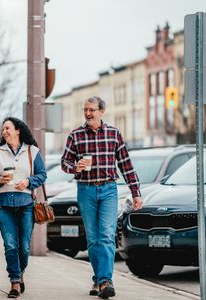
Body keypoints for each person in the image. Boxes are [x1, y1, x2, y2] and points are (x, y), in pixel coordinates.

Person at [61, 96, 142, 299]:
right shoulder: (76, 135)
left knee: (106, 235)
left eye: (92, 110)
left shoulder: (114, 134)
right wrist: (75, 167)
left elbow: (126, 166)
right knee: (93, 238)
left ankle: (106, 280)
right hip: (86, 190)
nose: (88, 113)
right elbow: (64, 162)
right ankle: (98, 279)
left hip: (108, 189)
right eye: (85, 110)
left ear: (101, 111)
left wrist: (136, 193)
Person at [0, 117, 47, 298]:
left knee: (25, 247)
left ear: (18, 130)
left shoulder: (32, 151)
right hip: (3, 205)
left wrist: (28, 182)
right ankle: (14, 281)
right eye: (2, 129)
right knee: (11, 245)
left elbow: (42, 175)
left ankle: (20, 274)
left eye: (7, 128)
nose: (4, 132)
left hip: (26, 204)